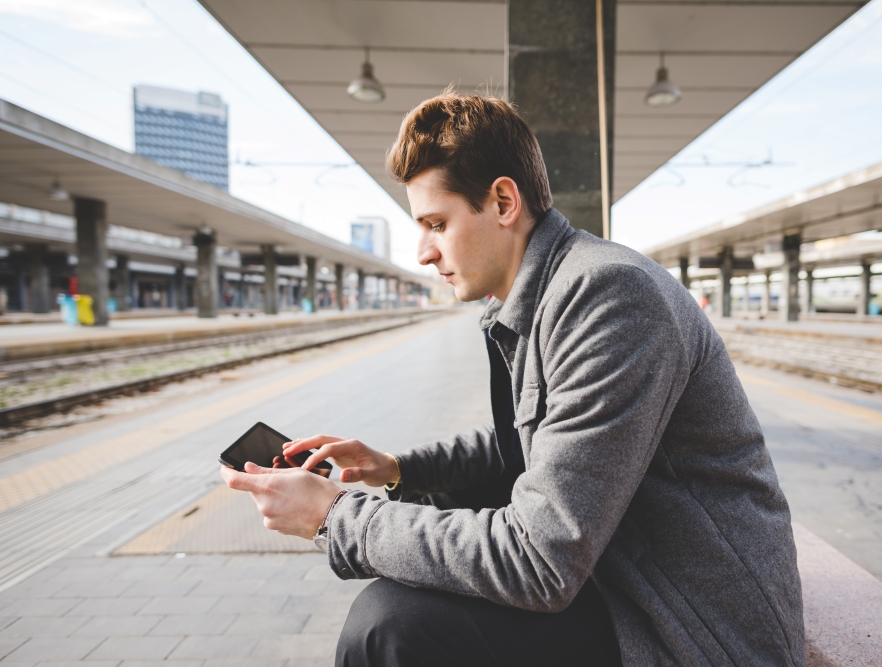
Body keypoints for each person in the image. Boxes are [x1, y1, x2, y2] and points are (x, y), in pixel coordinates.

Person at [222, 92, 805, 667]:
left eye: (435, 223)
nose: (423, 252)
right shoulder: (549, 292)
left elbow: (541, 562)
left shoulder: (610, 297)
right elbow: (533, 437)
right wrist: (398, 468)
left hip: (691, 627)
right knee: (411, 587)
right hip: (629, 578)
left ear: (503, 201)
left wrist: (335, 517)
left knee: (390, 627)